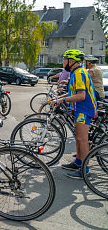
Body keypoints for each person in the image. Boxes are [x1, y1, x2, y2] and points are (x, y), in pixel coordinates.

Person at [51, 50, 97, 179]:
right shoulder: (76, 72)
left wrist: (61, 100)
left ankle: (85, 170)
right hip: (79, 109)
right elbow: (73, 93)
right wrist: (58, 99)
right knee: (78, 137)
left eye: (64, 59)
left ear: (71, 61)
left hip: (84, 109)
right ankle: (78, 162)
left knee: (82, 139)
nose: (63, 62)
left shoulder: (79, 73)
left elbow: (81, 95)